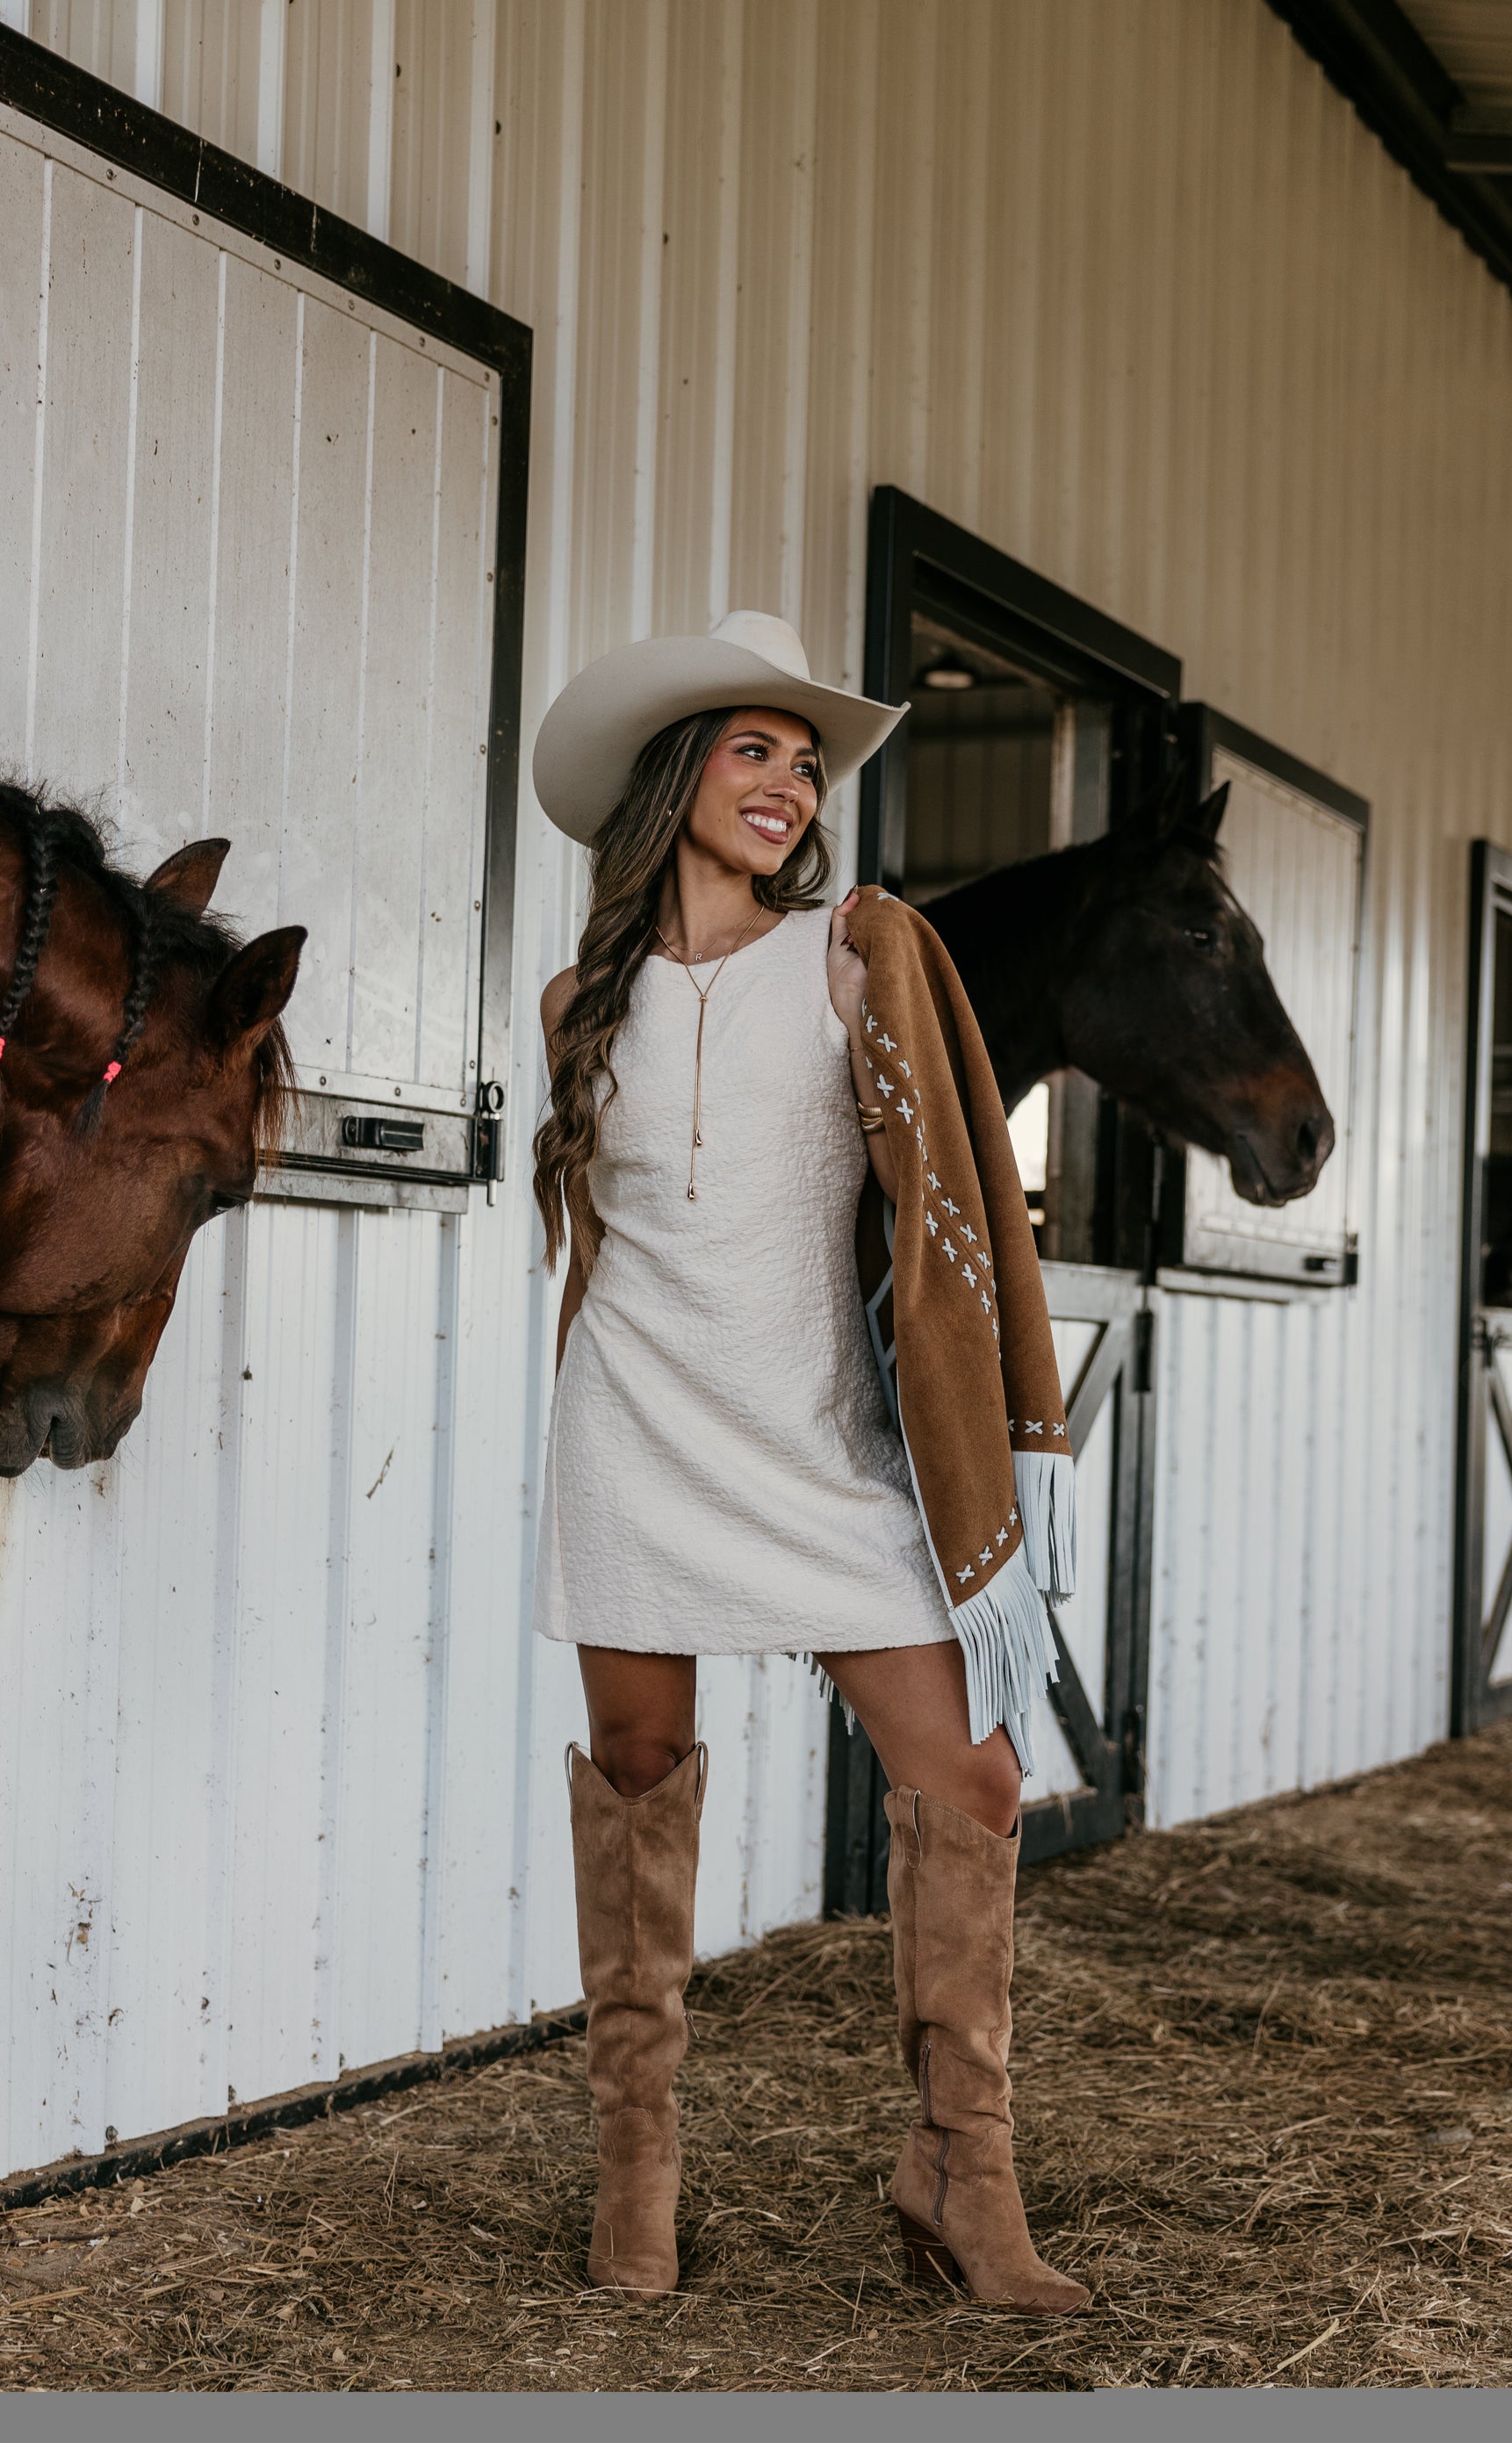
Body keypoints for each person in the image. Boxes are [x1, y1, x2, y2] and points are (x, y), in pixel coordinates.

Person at [529, 609, 1089, 2316]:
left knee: (973, 1778)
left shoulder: (856, 951)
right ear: (672, 777)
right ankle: (637, 2180)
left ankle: (960, 2172)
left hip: (819, 1440)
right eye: (751, 749)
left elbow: (944, 1193)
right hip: (633, 1428)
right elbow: (598, 1247)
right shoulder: (575, 1002)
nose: (787, 783)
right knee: (638, 1765)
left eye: (804, 761)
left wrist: (869, 1037)